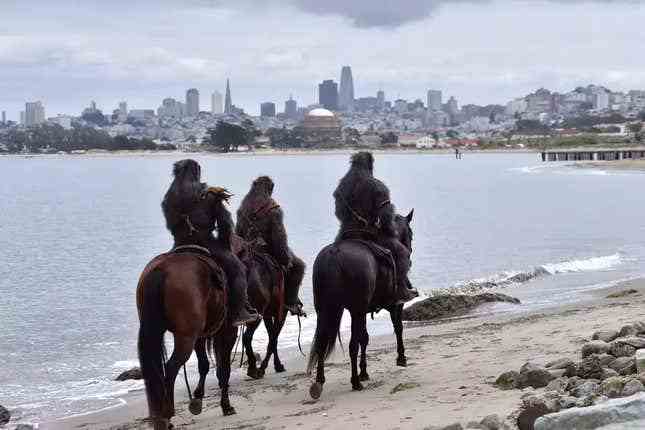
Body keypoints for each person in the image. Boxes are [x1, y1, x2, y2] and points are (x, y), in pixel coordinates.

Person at [161, 159, 260, 326]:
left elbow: (170, 226)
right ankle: (239, 312)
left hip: (178, 245)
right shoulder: (211, 194)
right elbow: (225, 226)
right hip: (207, 244)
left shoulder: (168, 198)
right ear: (197, 173)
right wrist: (224, 246)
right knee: (238, 269)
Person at [333, 152, 418, 304]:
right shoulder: (377, 186)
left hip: (345, 234)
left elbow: (338, 214)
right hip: (370, 235)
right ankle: (400, 291)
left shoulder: (341, 188)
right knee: (402, 253)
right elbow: (386, 217)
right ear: (370, 165)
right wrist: (391, 232)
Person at [236, 176, 306, 316]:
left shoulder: (243, 207)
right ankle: (291, 301)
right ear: (270, 189)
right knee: (299, 266)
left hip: (245, 251)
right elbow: (279, 240)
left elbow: (238, 234)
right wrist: (285, 259)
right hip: (266, 250)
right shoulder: (274, 209)